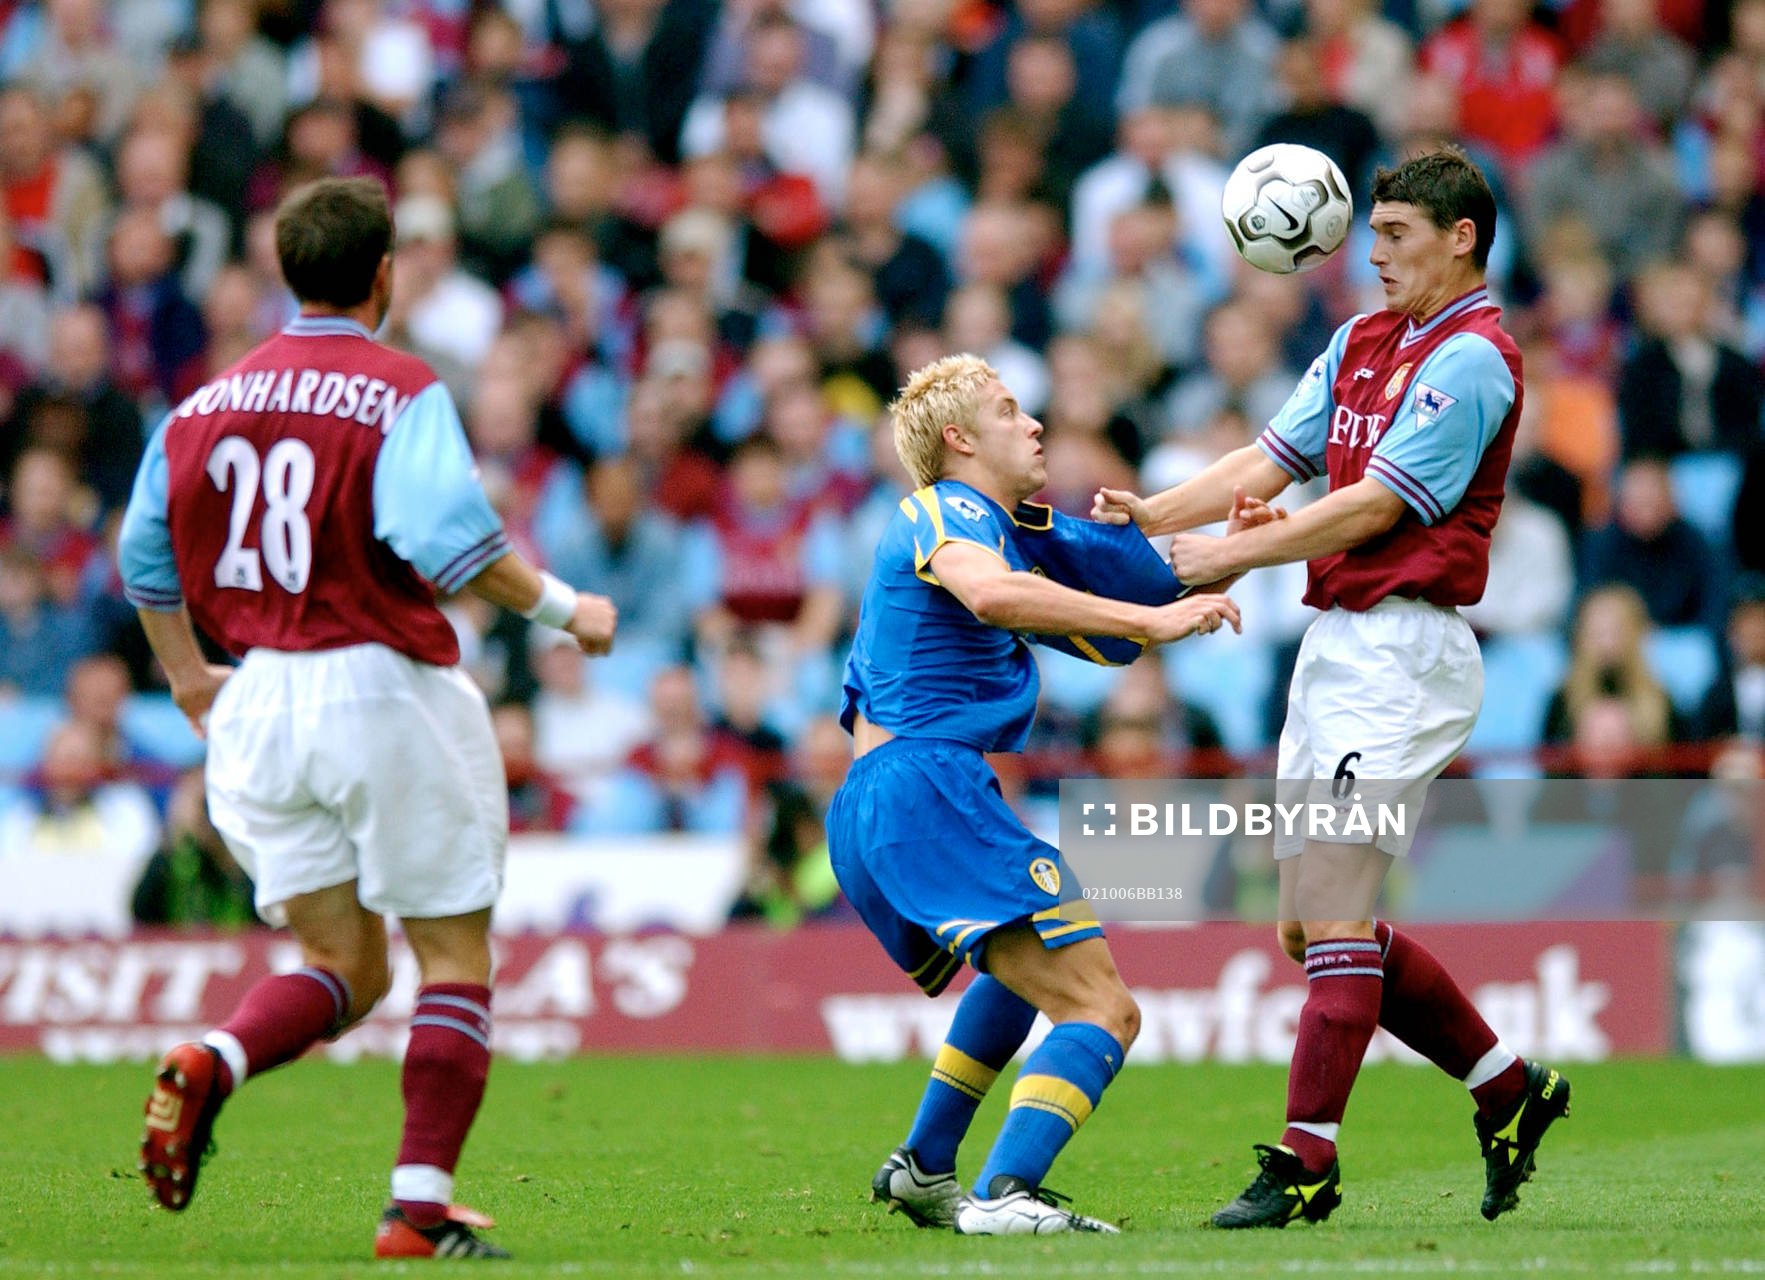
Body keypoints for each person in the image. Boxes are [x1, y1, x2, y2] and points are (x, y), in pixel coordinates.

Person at [117, 177, 617, 1260]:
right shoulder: (398, 388)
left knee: (345, 961)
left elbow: (141, 556)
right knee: (450, 951)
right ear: (383, 272)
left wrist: (188, 678)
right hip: (378, 682)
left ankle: (212, 1056)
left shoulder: (199, 406)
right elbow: (452, 540)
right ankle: (417, 1206)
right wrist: (572, 612)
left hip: (254, 699)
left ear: (285, 273)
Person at [1093, 148, 1572, 1228]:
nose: (1377, 256)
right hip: (1335, 648)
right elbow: (1268, 461)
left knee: (1338, 910)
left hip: (1404, 650)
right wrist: (1157, 516)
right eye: (1372, 236)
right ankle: (1508, 1088)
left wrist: (1229, 558)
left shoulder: (1475, 357)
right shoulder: (1359, 341)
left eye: (1397, 236)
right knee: (1307, 934)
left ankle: (1307, 1159)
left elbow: (1369, 510)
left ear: (1461, 237)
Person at [834, 353, 1246, 1235]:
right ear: (957, 440)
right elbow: (991, 598)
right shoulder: (944, 509)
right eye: (1008, 411)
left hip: (886, 792)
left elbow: (1124, 603)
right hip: (921, 784)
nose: (1033, 425)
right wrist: (1150, 618)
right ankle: (1005, 1193)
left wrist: (1235, 555)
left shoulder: (1008, 534)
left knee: (1019, 969)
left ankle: (923, 1165)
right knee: (1103, 1007)